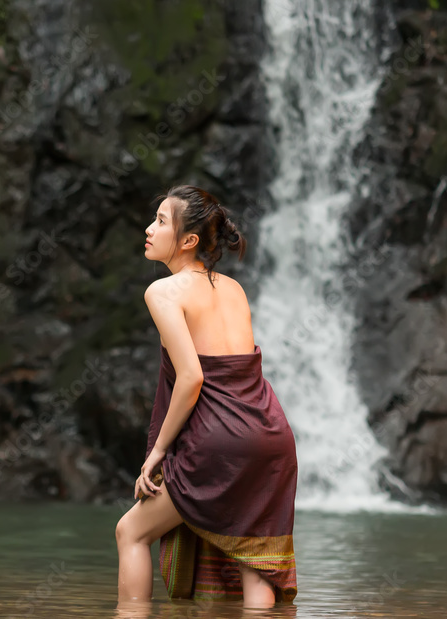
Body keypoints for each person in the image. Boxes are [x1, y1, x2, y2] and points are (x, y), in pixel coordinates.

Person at [115, 185, 298, 611]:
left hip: (220, 442)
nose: (148, 228)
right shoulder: (233, 288)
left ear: (189, 240)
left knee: (131, 532)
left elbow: (193, 377)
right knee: (256, 561)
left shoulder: (162, 292)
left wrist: (158, 451)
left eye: (161, 221)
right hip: (271, 437)